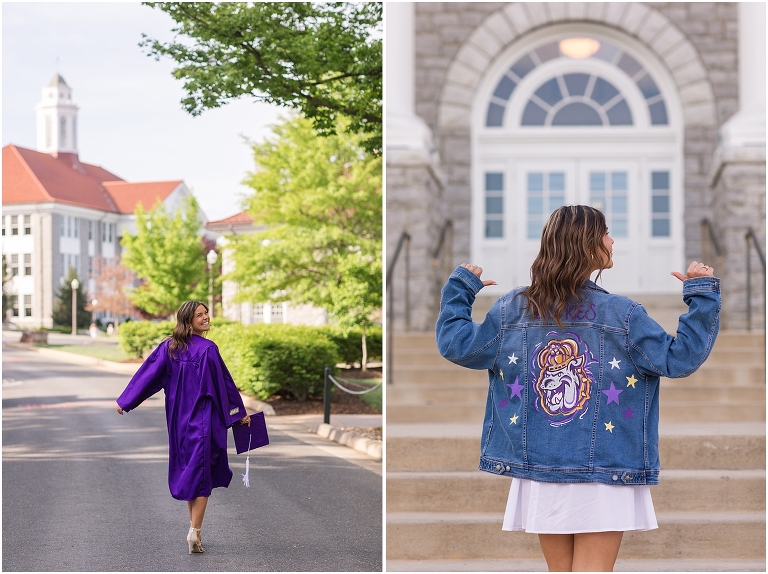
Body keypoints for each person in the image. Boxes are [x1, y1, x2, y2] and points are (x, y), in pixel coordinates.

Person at [436, 205, 720, 572]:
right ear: (587, 245)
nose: (613, 240)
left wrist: (460, 289)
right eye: (605, 233)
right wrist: (701, 294)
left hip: (542, 467)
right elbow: (680, 358)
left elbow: (457, 344)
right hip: (604, 471)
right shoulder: (623, 314)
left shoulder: (513, 309)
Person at [116, 301, 251, 554]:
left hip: (179, 419)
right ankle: (195, 532)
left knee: (192, 472)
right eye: (199, 315)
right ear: (188, 320)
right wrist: (238, 414)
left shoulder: (170, 347)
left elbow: (147, 376)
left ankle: (194, 530)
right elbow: (224, 385)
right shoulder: (208, 349)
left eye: (205, 312)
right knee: (203, 475)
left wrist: (126, 400)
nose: (205, 317)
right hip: (204, 419)